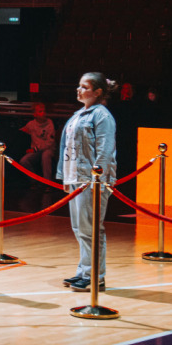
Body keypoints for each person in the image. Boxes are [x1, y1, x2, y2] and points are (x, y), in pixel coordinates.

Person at [57, 72, 117, 292]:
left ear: (98, 92)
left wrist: (98, 179)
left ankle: (95, 276)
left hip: (91, 180)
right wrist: (64, 175)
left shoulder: (102, 116)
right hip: (76, 177)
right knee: (80, 228)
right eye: (79, 86)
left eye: (84, 87)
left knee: (91, 229)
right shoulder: (78, 114)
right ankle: (84, 271)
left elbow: (105, 150)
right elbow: (66, 146)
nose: (79, 90)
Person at [18, 102, 56, 184]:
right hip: (36, 151)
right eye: (40, 111)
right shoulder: (31, 124)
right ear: (35, 114)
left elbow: (49, 142)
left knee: (46, 155)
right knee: (23, 161)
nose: (43, 113)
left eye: (44, 111)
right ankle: (34, 181)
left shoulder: (50, 123)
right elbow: (21, 131)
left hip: (48, 149)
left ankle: (48, 182)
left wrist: (35, 149)